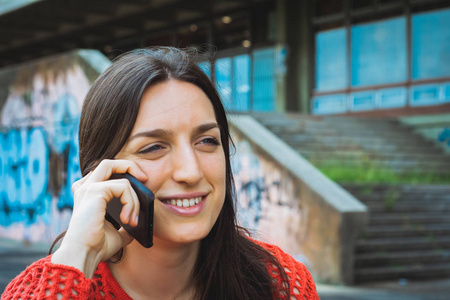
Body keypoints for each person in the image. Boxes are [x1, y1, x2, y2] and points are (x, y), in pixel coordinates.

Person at [2, 47, 319, 300]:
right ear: (103, 172)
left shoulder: (281, 283)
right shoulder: (48, 287)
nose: (190, 171)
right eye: (153, 147)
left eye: (207, 141)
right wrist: (76, 257)